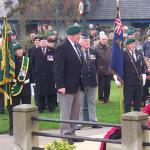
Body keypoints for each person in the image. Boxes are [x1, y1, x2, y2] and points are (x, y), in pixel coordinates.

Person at [53, 24, 84, 144]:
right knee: (66, 111)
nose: (80, 36)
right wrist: (60, 85)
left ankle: (72, 132)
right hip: (65, 86)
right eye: (79, 34)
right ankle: (65, 135)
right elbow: (57, 68)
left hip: (77, 85)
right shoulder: (62, 47)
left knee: (75, 110)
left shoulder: (76, 46)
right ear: (73, 35)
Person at [9, 43, 31, 135]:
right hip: (15, 86)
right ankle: (13, 128)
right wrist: (16, 81)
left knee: (27, 108)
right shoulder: (10, 61)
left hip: (26, 86)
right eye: (17, 50)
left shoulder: (27, 60)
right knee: (14, 109)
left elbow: (31, 71)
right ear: (14, 52)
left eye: (21, 50)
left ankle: (28, 128)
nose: (20, 51)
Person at [77, 34, 98, 129]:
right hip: (81, 81)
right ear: (80, 42)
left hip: (92, 80)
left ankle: (93, 121)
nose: (87, 43)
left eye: (89, 41)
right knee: (79, 103)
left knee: (92, 102)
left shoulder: (93, 51)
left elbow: (96, 65)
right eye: (85, 41)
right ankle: (78, 123)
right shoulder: (78, 51)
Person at [32, 37, 57, 113]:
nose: (43, 42)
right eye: (41, 41)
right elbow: (32, 64)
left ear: (47, 42)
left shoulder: (52, 50)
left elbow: (56, 63)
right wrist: (34, 75)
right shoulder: (35, 51)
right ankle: (40, 108)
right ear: (39, 43)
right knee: (40, 93)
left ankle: (51, 108)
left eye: (45, 41)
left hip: (50, 76)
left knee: (51, 92)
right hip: (39, 76)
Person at [123, 38, 146, 113]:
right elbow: (121, 68)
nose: (133, 45)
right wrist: (118, 78)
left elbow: (143, 65)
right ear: (127, 45)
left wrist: (144, 74)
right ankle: (127, 119)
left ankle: (137, 119)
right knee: (128, 102)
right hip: (128, 82)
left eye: (134, 44)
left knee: (138, 102)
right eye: (131, 44)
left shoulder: (139, 53)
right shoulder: (124, 54)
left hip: (139, 82)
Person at [96, 34, 113, 103]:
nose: (104, 40)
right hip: (100, 70)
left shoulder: (110, 48)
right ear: (100, 40)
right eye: (103, 39)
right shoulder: (96, 48)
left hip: (108, 70)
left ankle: (107, 98)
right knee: (101, 86)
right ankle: (100, 98)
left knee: (108, 86)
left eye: (105, 39)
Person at [28, 36, 41, 106]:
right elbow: (30, 62)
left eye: (39, 40)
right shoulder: (30, 49)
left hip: (43, 73)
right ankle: (37, 104)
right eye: (36, 40)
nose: (37, 41)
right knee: (36, 90)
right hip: (34, 73)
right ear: (34, 41)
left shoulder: (43, 48)